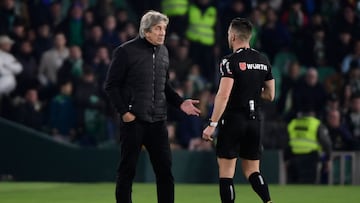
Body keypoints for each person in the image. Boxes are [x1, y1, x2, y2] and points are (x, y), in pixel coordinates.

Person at [104, 10, 200, 203]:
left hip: (157, 122)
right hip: (134, 121)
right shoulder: (125, 51)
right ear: (146, 31)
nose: (162, 32)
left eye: (164, 28)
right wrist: (124, 112)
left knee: (165, 171)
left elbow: (164, 87)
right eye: (158, 28)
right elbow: (111, 85)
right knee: (127, 171)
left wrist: (181, 102)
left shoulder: (164, 52)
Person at [202, 18, 275, 203]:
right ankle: (268, 201)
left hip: (233, 120)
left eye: (228, 34)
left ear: (233, 36)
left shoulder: (229, 61)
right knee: (252, 170)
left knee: (226, 173)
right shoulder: (263, 60)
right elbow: (270, 95)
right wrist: (251, 90)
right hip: (254, 120)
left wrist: (212, 124)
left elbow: (223, 95)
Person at [285, 110, 332, 184]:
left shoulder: (293, 123)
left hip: (294, 157)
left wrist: (286, 159)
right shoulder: (316, 124)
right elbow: (326, 143)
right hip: (311, 158)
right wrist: (328, 158)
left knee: (294, 185)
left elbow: (286, 141)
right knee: (310, 184)